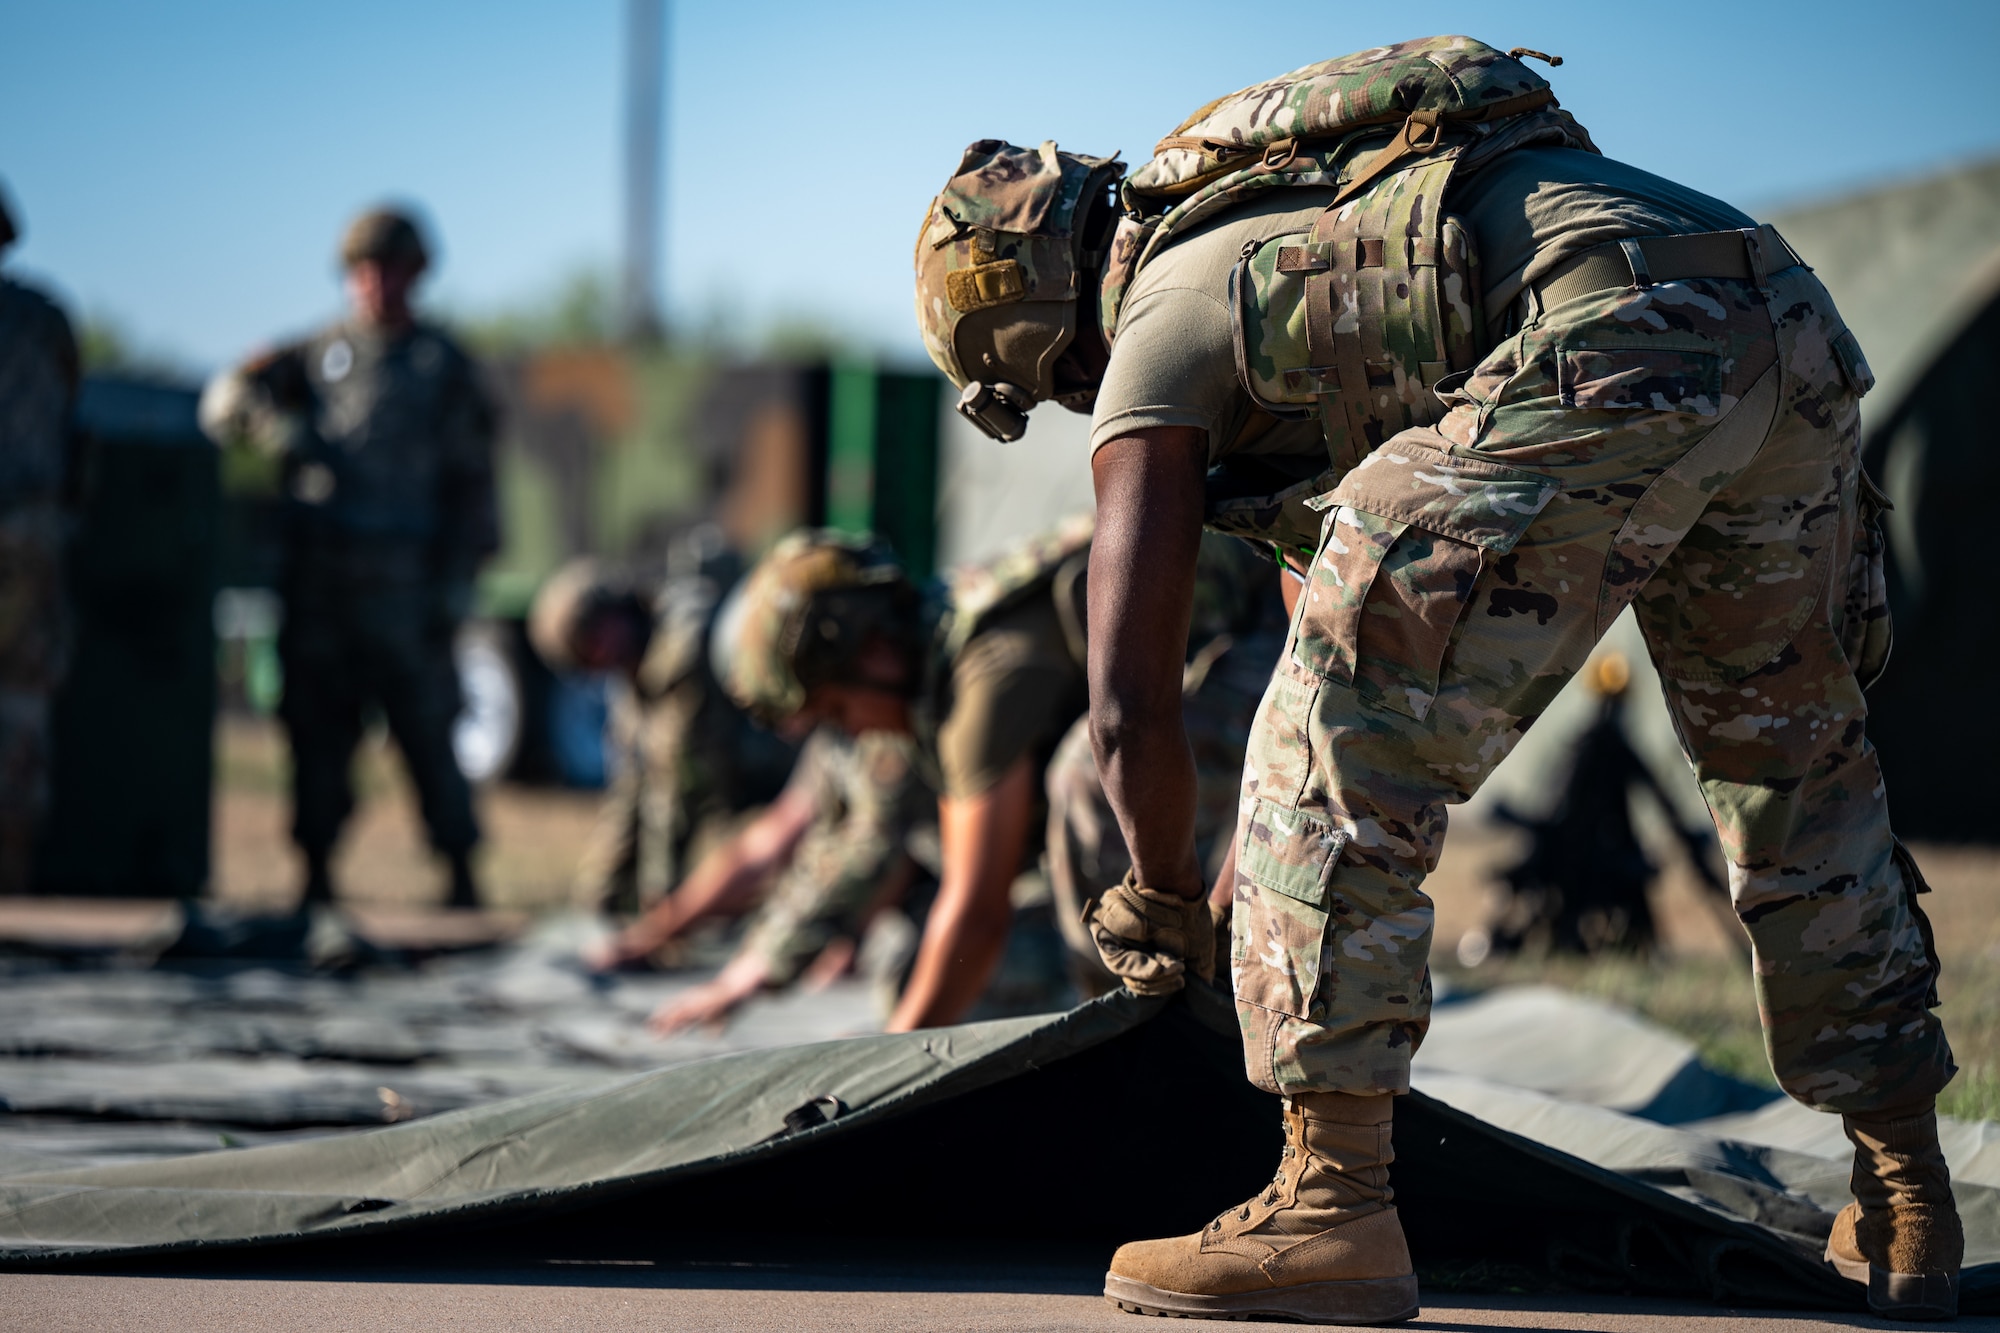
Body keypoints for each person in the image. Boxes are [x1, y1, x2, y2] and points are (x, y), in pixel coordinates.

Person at [913, 38, 1959, 1322]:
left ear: (1041, 332)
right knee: (1788, 760)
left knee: (1328, 727)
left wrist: (1162, 906)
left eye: (1053, 389)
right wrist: (1243, 903)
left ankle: (1330, 1206)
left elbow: (1129, 705)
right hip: (1777, 314)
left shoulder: (1157, 317)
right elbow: (1339, 598)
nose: (1081, 403)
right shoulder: (1295, 227)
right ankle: (1903, 1191)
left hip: (1609, 333)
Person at [201, 207, 499, 910]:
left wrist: (457, 583)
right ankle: (316, 874)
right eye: (366, 272)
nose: (379, 286)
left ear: (417, 277)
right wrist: (273, 430)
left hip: (408, 591)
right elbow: (221, 404)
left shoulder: (442, 367)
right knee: (317, 736)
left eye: (393, 272)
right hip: (320, 588)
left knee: (429, 736)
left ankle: (460, 871)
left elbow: (475, 484)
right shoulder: (310, 356)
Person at [595, 722, 932, 1032]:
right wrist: (661, 927)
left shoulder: (886, 722)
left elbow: (883, 844)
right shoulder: (835, 736)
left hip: (952, 901)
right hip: (903, 900)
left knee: (923, 1015)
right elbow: (767, 846)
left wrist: (848, 935)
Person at [528, 559, 792, 916]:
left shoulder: (683, 646)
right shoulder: (633, 677)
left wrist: (661, 907)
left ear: (618, 610)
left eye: (597, 636)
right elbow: (628, 791)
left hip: (768, 781)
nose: (602, 654)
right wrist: (599, 894)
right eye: (587, 655)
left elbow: (677, 780)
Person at [0, 184, 80, 895]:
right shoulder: (46, 316)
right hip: (33, 533)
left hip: (25, 536)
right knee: (20, 709)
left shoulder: (39, 319)